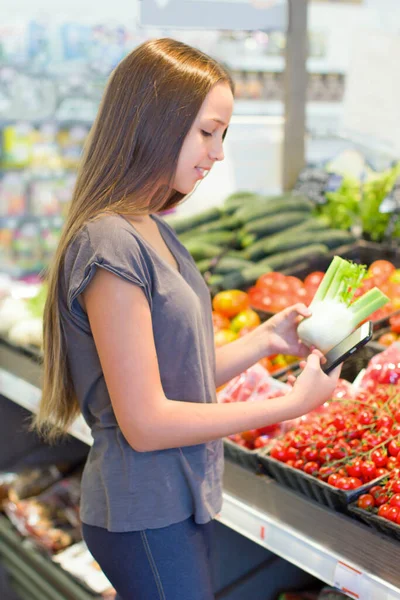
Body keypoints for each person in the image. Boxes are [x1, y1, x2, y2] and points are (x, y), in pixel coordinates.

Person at [34, 38, 341, 600]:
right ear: (155, 121)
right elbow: (146, 422)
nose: (218, 152)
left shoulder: (150, 226)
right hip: (142, 513)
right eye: (207, 131)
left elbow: (178, 375)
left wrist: (265, 338)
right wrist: (292, 405)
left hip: (175, 501)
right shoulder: (110, 242)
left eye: (222, 134)